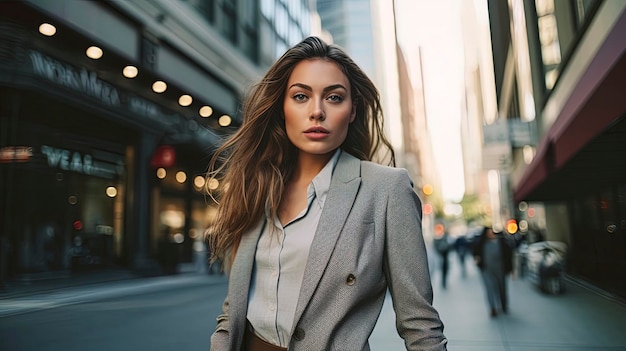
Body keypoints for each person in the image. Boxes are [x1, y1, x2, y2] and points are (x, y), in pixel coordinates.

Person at [206, 36, 447, 351]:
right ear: (282, 107)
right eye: (301, 96)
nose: (316, 112)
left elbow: (420, 326)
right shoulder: (257, 185)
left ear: (352, 110)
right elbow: (234, 307)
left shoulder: (386, 189)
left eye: (333, 97)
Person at [472, 226, 514, 317]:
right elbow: (475, 253)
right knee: (489, 289)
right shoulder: (481, 244)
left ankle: (503, 305)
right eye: (488, 233)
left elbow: (509, 256)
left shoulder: (501, 243)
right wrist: (478, 260)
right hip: (487, 270)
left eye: (492, 232)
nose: (490, 234)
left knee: (501, 288)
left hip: (500, 269)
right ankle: (493, 308)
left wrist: (510, 269)